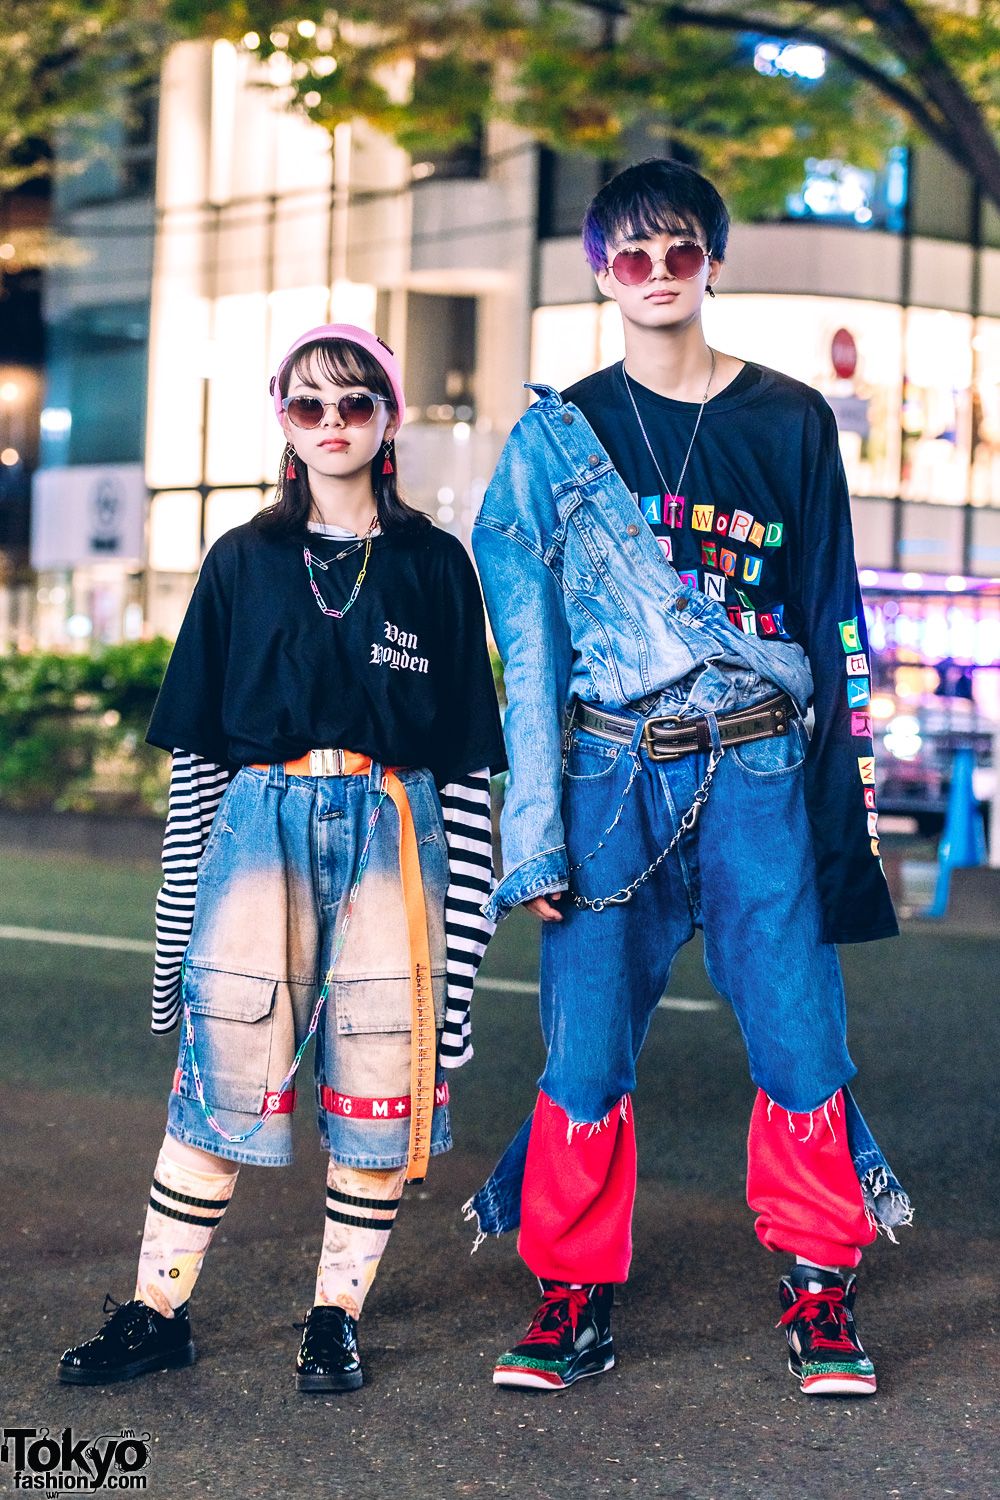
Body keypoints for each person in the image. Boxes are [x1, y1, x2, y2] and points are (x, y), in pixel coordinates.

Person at [468, 160, 910, 1397]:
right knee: (586, 1040)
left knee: (797, 1031)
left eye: (679, 253)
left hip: (766, 761)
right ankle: (570, 1291)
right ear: (598, 273)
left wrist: (845, 810)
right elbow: (530, 654)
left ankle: (820, 1287)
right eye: (630, 256)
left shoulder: (786, 419)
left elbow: (834, 620)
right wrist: (536, 833)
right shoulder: (559, 441)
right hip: (612, 771)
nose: (656, 276)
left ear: (712, 262)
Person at [58, 324, 506, 1392]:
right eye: (310, 406)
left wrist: (464, 974)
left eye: (356, 404)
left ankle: (332, 1317)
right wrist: (174, 946)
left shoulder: (436, 566)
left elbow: (466, 775)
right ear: (284, 422)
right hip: (259, 824)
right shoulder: (242, 561)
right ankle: (157, 1309)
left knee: (380, 1087)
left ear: (389, 418)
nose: (335, 424)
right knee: (220, 1078)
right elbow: (201, 768)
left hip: (399, 827)